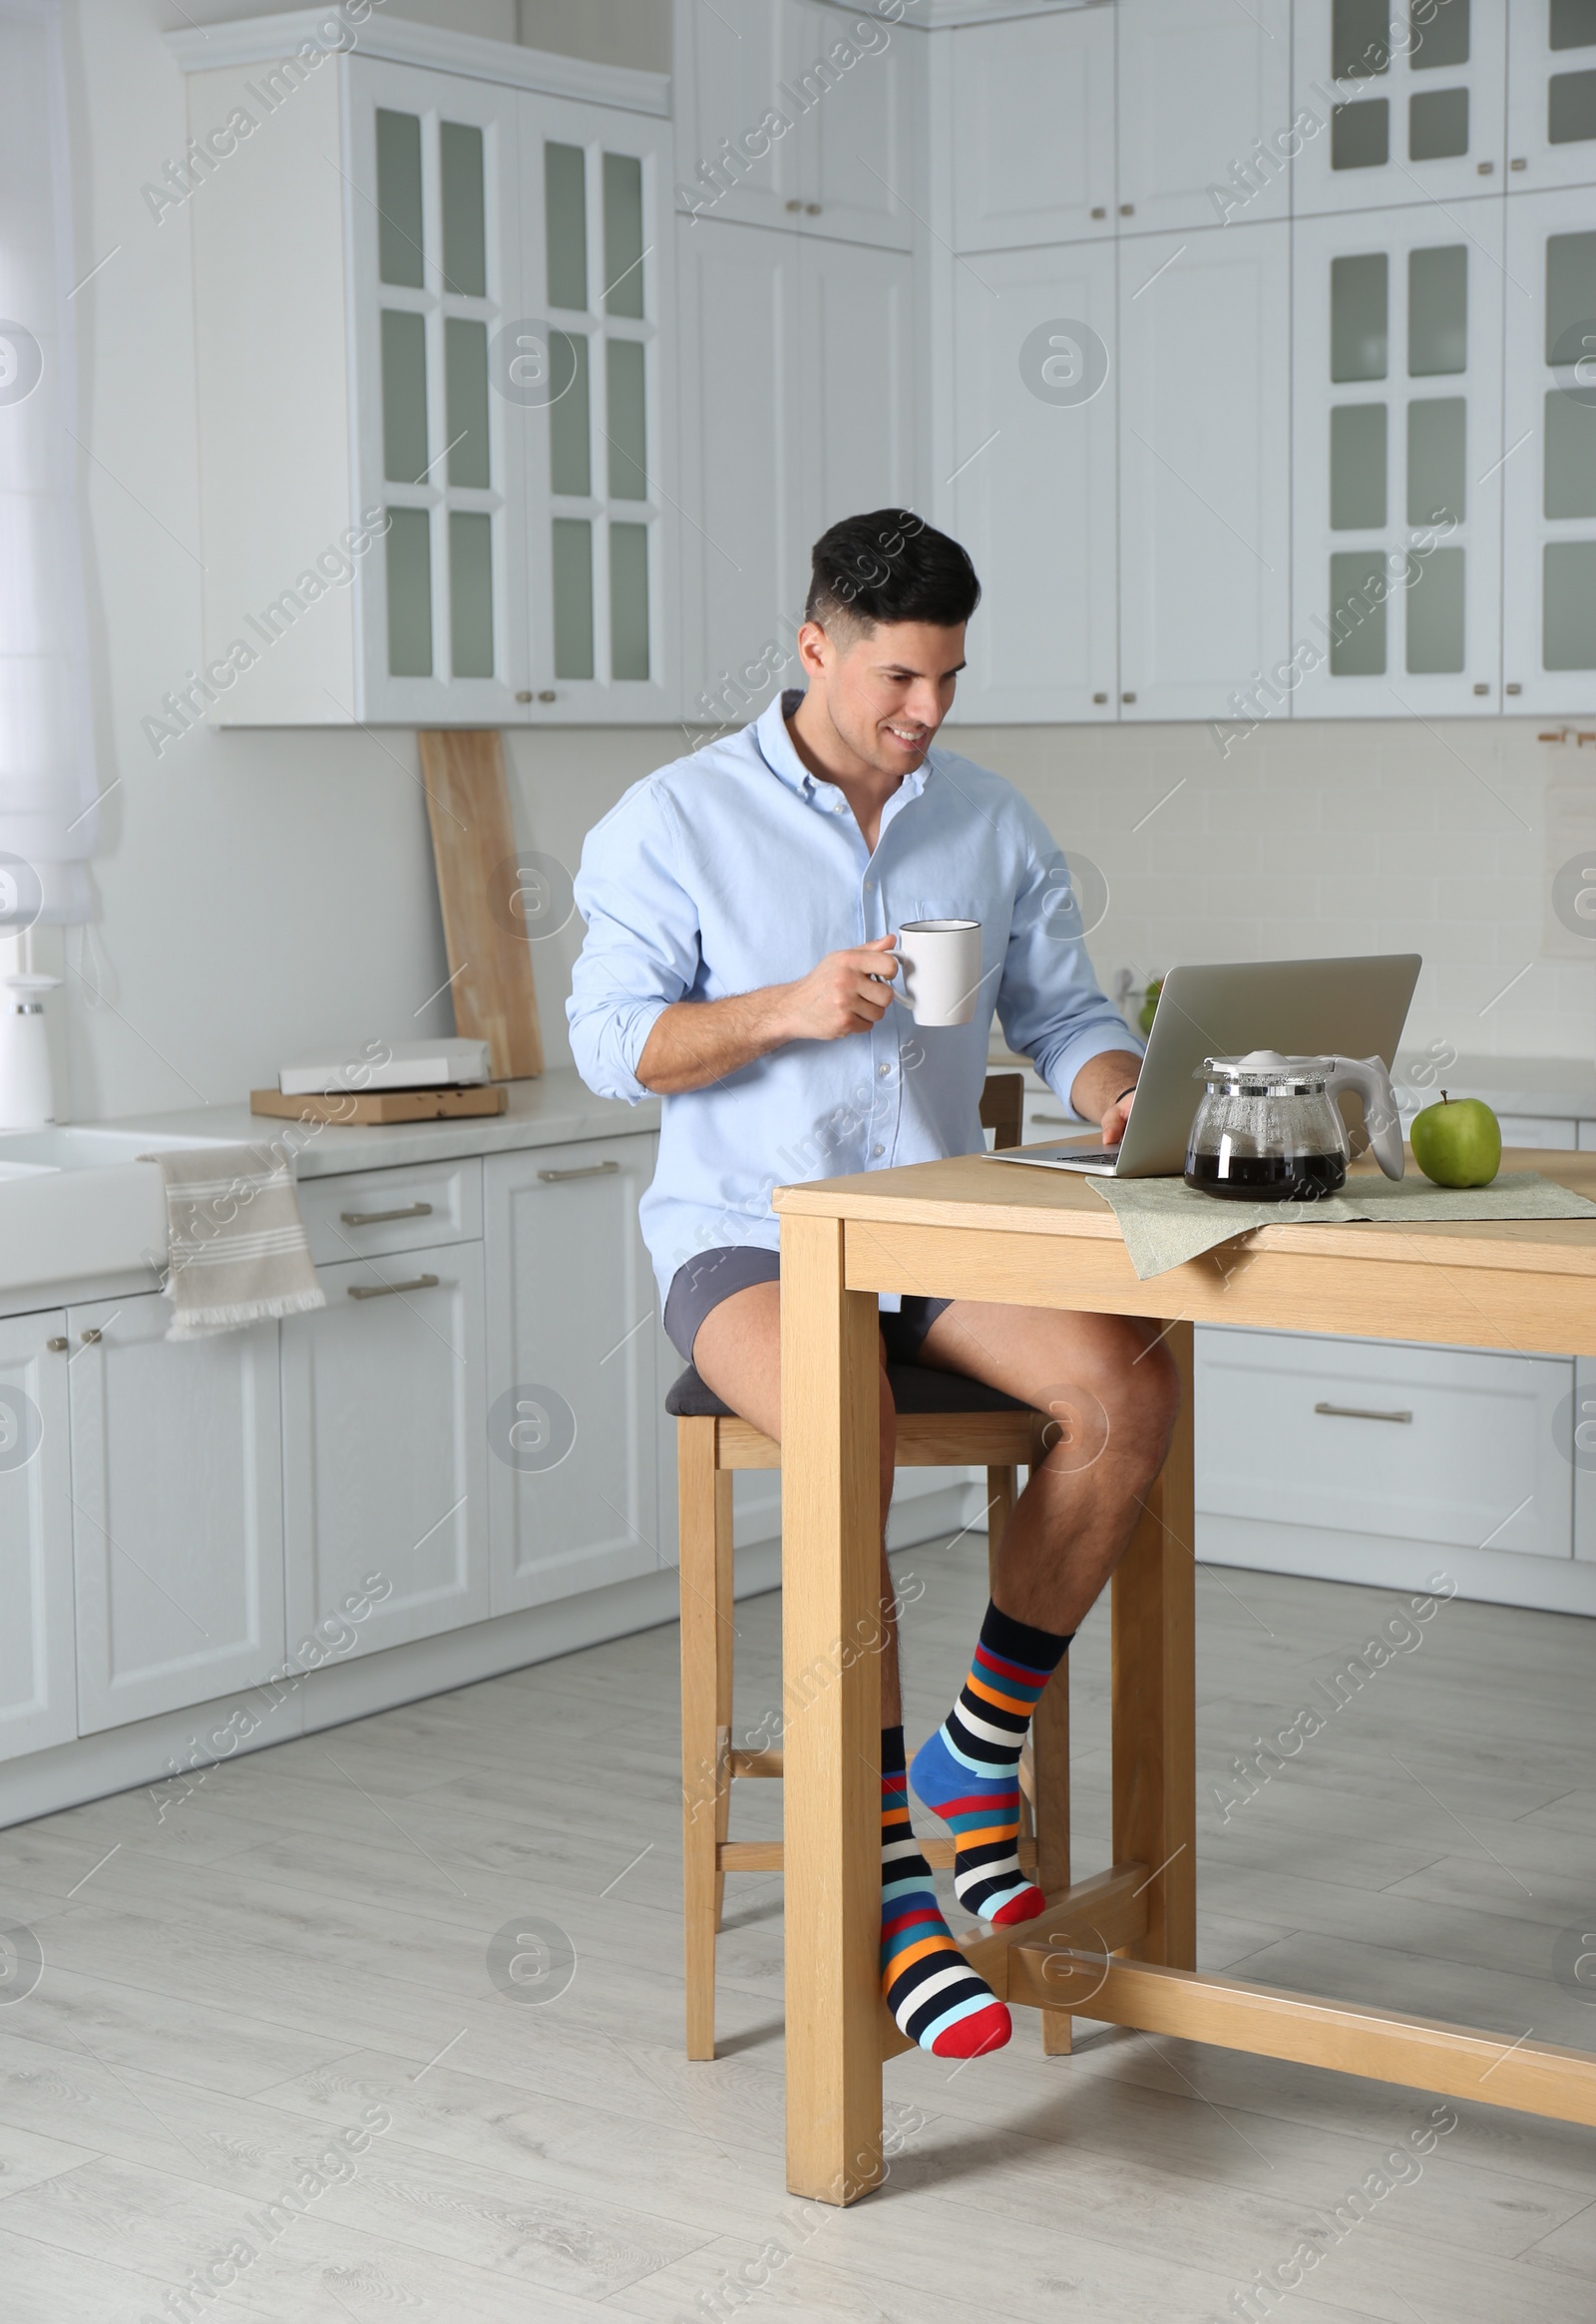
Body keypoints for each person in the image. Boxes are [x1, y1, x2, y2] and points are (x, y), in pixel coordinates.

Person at [570, 510, 1180, 2060]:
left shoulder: (982, 815)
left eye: (950, 680)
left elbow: (1066, 1013)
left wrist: (1119, 1091)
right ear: (817, 644)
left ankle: (973, 1754)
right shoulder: (673, 819)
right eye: (900, 678)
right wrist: (779, 1007)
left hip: (925, 1235)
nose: (926, 714)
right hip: (745, 1238)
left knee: (1125, 1387)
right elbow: (611, 1046)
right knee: (844, 1433)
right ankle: (900, 1885)